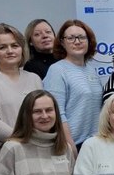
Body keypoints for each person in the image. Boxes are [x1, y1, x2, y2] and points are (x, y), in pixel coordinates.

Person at [0, 24, 42, 170]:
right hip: (4, 159)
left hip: (36, 154)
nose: (10, 51)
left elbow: (43, 114)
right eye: (2, 47)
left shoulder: (34, 79)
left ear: (22, 48)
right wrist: (24, 139)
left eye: (14, 45)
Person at [43, 20, 103, 154]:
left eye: (82, 37)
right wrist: (70, 146)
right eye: (71, 38)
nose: (77, 41)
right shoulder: (57, 70)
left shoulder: (91, 69)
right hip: (73, 145)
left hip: (96, 143)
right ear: (62, 42)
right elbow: (57, 113)